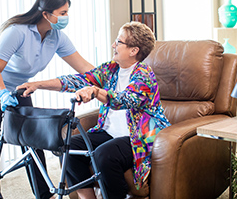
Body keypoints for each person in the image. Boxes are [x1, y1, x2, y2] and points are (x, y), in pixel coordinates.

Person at [17, 21, 171, 199]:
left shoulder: (144, 75)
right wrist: (38, 84)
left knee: (103, 155)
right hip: (108, 132)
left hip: (137, 137)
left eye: (119, 42)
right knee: (69, 147)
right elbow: (77, 81)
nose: (114, 45)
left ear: (133, 50)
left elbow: (124, 100)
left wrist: (96, 92)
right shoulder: (111, 69)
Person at [0, 0, 94, 199]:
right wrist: (1, 93)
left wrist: (109, 79)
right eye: (62, 13)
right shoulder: (17, 32)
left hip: (20, 87)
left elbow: (85, 68)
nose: (66, 17)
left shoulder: (57, 37)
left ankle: (44, 194)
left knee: (33, 140)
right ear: (46, 14)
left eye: (67, 12)